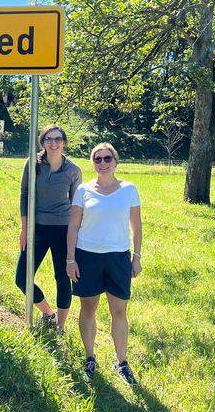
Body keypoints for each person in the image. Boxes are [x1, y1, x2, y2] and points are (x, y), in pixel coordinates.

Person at [66, 143, 142, 385]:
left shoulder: (129, 189)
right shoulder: (83, 190)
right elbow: (74, 226)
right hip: (88, 256)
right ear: (93, 163)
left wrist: (136, 257)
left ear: (115, 161)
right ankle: (90, 357)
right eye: (97, 159)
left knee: (119, 311)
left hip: (118, 257)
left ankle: (122, 363)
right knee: (88, 309)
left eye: (107, 158)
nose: (102, 162)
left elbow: (136, 226)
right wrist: (71, 259)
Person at [15, 124, 81, 331]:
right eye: (49, 139)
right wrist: (24, 229)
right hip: (37, 230)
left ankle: (60, 327)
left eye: (58, 139)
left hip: (63, 230)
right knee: (21, 278)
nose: (54, 143)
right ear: (42, 142)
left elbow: (77, 206)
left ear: (64, 142)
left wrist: (75, 237)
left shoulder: (73, 170)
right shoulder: (33, 164)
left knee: (62, 278)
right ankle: (48, 313)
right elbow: (24, 194)